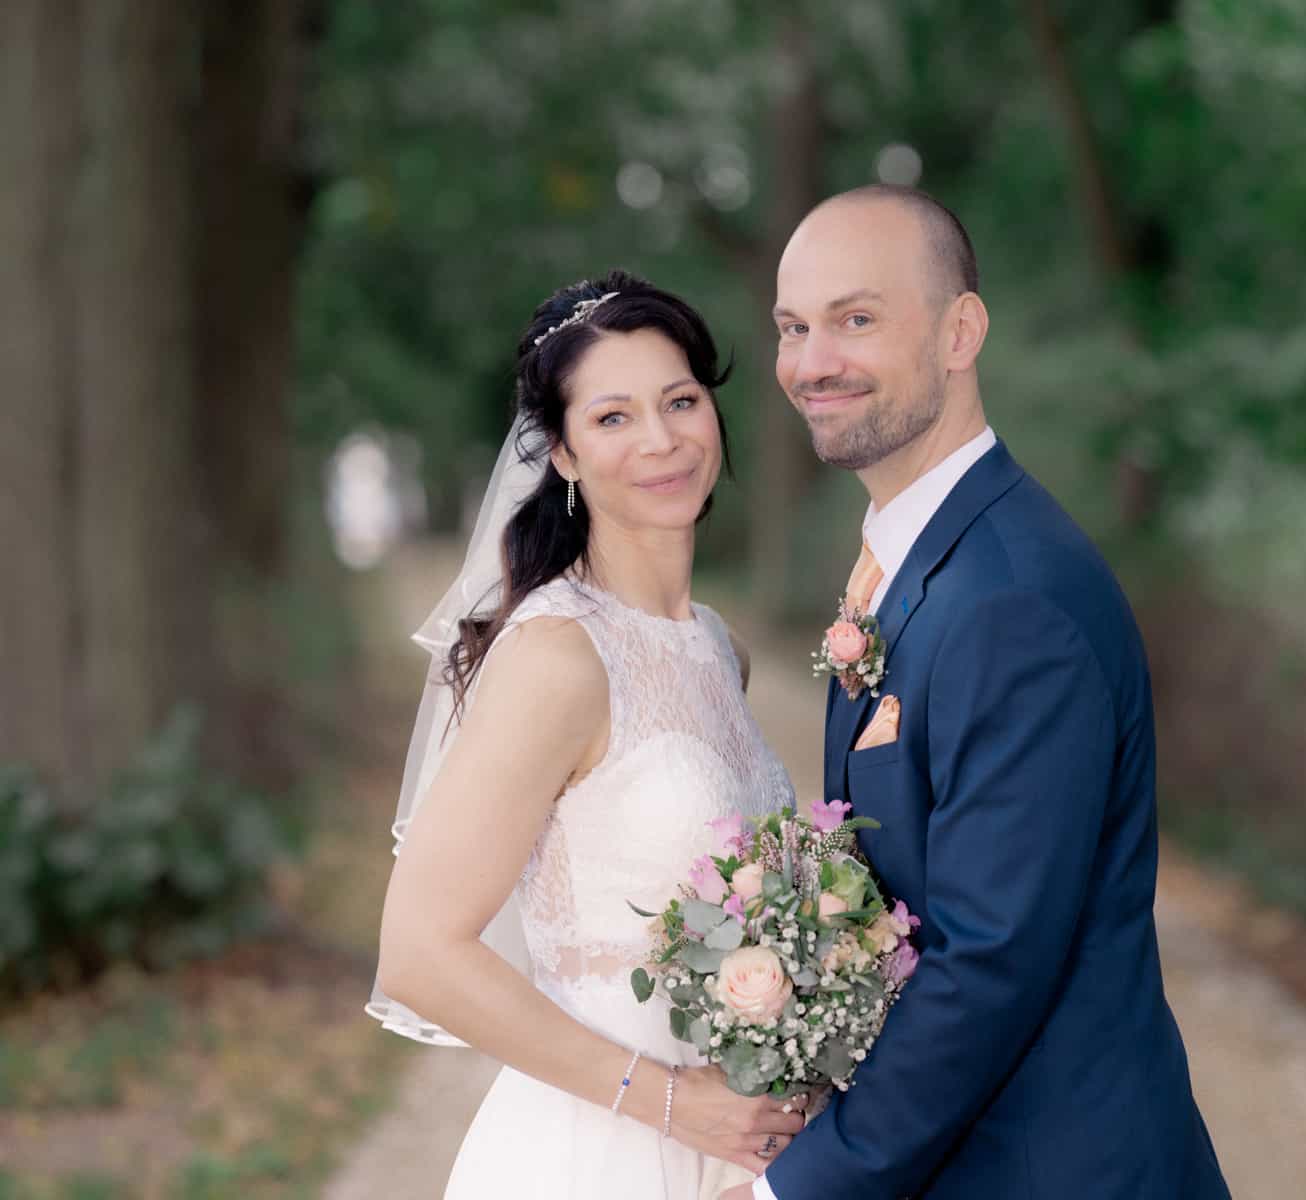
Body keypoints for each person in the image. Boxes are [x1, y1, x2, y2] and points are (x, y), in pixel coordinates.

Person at [727, 186, 1231, 1199]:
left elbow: (989, 961)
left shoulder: (1012, 600)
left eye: (855, 319)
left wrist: (802, 1185)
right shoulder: (918, 564)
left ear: (960, 331)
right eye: (793, 327)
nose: (811, 361)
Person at [369, 271, 804, 1198]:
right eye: (612, 418)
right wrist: (674, 1107)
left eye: (680, 400)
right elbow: (419, 953)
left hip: (735, 1154)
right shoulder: (558, 656)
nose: (661, 439)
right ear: (561, 454)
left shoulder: (716, 648)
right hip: (600, 1148)